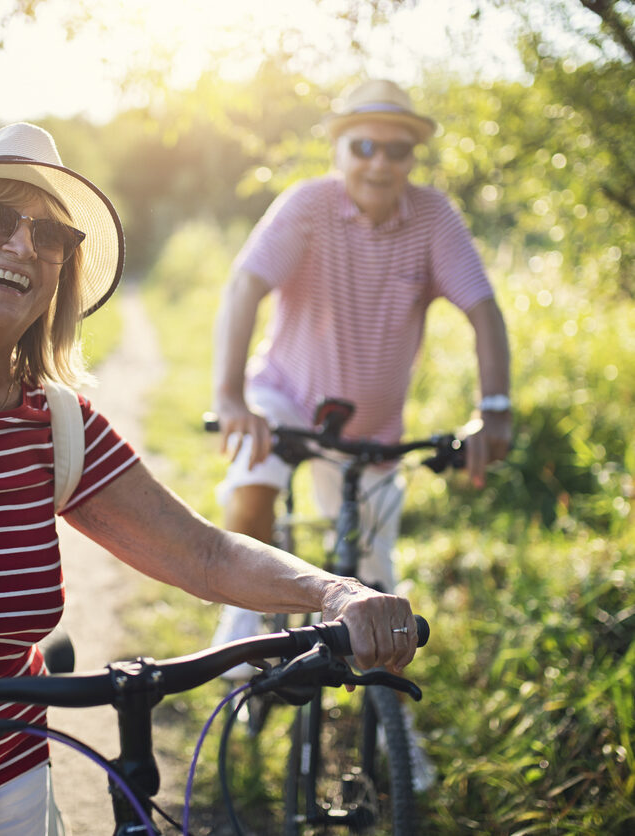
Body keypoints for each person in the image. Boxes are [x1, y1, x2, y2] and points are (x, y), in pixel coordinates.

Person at [0, 122, 420, 833]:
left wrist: (337, 592)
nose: (23, 247)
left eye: (51, 237)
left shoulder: (56, 424)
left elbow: (205, 554)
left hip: (8, 779)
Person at [209, 79, 512, 786]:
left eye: (397, 148)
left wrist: (494, 408)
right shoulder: (309, 206)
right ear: (340, 146)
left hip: (376, 428)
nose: (380, 161)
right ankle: (238, 626)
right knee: (254, 482)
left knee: (374, 576)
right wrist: (229, 397)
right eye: (364, 145)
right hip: (284, 395)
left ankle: (395, 732)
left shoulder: (434, 216)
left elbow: (484, 311)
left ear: (414, 156)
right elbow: (244, 286)